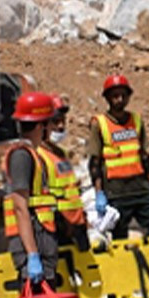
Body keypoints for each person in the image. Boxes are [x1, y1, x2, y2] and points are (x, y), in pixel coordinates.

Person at [3, 91, 70, 298]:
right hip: (33, 244)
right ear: (42, 125)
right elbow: (19, 204)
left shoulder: (35, 153)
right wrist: (31, 254)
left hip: (44, 242)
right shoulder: (22, 156)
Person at [89, 73, 149, 298]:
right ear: (108, 98)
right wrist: (99, 193)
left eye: (123, 95)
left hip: (141, 190)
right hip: (116, 195)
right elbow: (95, 163)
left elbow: (144, 157)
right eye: (114, 95)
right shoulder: (99, 124)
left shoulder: (137, 122)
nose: (119, 99)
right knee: (118, 250)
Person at [43, 95, 89, 252]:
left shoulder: (61, 154)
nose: (61, 126)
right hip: (57, 227)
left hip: (73, 224)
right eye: (55, 122)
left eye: (63, 121)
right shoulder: (38, 156)